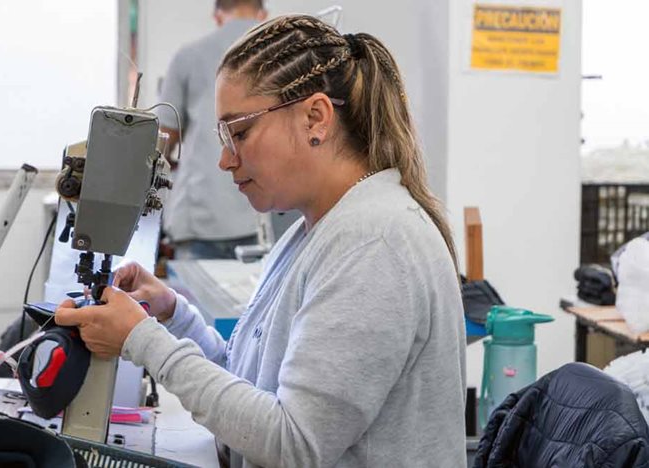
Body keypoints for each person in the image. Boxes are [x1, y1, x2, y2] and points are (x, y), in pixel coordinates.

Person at [57, 14, 466, 467]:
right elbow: (250, 387)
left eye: (241, 132)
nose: (226, 160)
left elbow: (293, 443)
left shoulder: (375, 243)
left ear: (316, 118)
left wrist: (142, 339)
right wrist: (173, 315)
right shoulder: (314, 231)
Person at [156, 0, 267, 259]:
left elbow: (163, 138)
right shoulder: (282, 60)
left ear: (217, 16)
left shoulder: (188, 56)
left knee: (193, 299)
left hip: (201, 217)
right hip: (264, 218)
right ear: (263, 16)